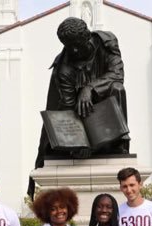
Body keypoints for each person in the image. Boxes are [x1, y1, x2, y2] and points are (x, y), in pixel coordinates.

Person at [29, 17, 129, 198]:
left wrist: (90, 88)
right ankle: (88, 145)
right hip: (79, 111)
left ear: (87, 37)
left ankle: (117, 143)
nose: (74, 50)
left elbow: (117, 74)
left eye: (77, 45)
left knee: (117, 88)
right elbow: (68, 108)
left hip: (104, 107)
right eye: (69, 46)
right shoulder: (64, 69)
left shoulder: (106, 43)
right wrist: (79, 143)